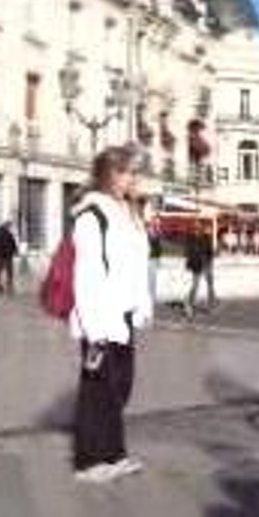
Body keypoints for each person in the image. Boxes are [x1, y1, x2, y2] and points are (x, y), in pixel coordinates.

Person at [70, 145, 153, 483]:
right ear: (107, 175)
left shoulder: (128, 213)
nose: (130, 178)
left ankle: (114, 452)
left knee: (119, 385)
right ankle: (89, 461)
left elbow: (137, 266)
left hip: (124, 316)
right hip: (101, 317)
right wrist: (95, 328)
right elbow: (86, 275)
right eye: (123, 172)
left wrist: (141, 306)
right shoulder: (93, 215)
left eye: (133, 172)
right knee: (97, 387)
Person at [184, 221, 216, 318]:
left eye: (198, 228)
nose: (197, 230)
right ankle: (189, 304)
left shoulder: (205, 238)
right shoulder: (190, 239)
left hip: (206, 263)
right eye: (195, 228)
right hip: (197, 265)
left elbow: (210, 251)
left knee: (210, 285)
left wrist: (210, 261)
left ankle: (210, 304)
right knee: (195, 285)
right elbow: (188, 253)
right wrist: (189, 264)